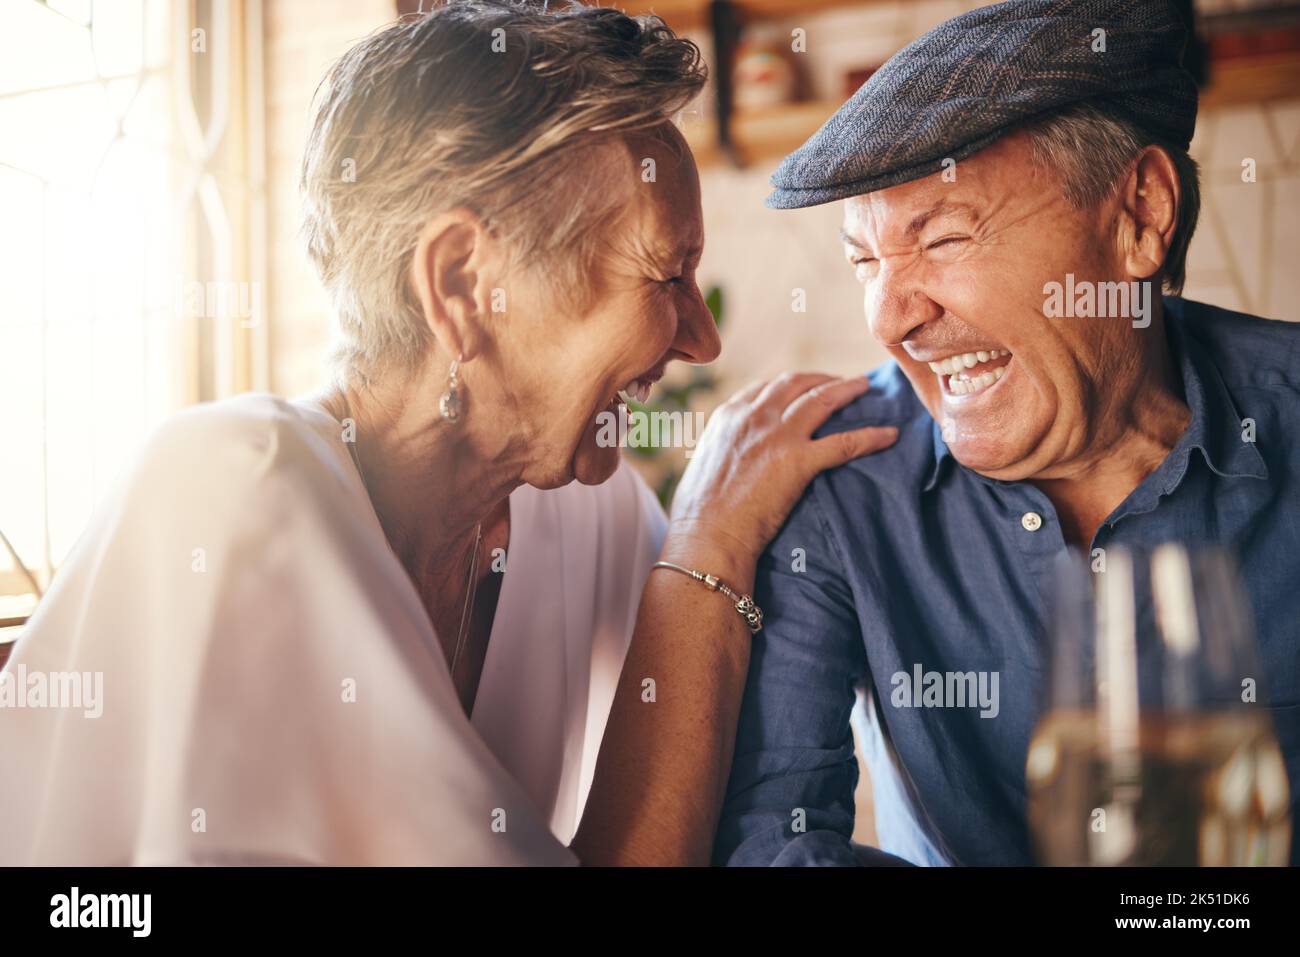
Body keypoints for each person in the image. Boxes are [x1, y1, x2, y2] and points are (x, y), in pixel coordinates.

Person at [0, 2, 897, 866]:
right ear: (463, 285)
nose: (703, 338)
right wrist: (710, 537)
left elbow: (728, 773)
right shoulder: (232, 485)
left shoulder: (590, 515)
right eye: (667, 274)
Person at [714, 0, 1300, 866]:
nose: (891, 317)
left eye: (945, 237)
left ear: (1140, 213)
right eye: (864, 261)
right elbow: (773, 846)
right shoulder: (841, 481)